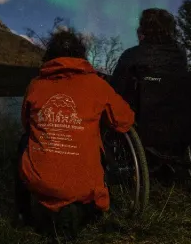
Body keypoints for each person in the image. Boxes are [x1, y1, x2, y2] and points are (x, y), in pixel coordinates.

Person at [15, 29, 135, 240]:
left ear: (50, 56)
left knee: (24, 141)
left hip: (38, 181)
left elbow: (26, 124)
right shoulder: (97, 84)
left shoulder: (35, 85)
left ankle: (23, 212)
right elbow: (124, 121)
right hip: (83, 185)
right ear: (81, 55)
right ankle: (78, 209)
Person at [110, 8, 191, 163]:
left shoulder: (132, 55)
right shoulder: (180, 53)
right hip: (180, 120)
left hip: (146, 122)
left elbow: (116, 88)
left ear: (143, 29)